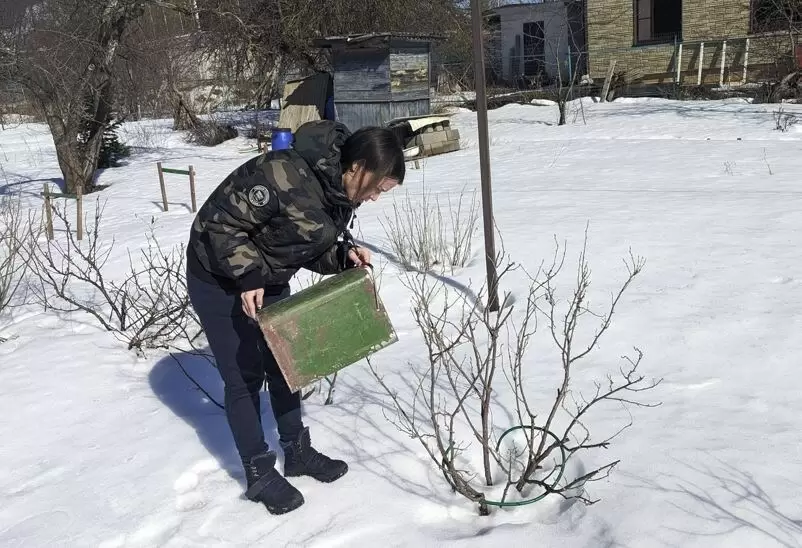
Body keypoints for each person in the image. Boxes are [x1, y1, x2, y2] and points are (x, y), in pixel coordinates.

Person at [185, 119, 405, 515]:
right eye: (376, 188)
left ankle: (298, 454)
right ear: (357, 167)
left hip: (264, 276)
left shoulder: (339, 190)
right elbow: (221, 224)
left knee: (287, 365)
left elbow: (302, 242)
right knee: (244, 376)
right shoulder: (280, 173)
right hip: (217, 275)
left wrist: (341, 258)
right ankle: (258, 473)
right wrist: (247, 274)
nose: (373, 198)